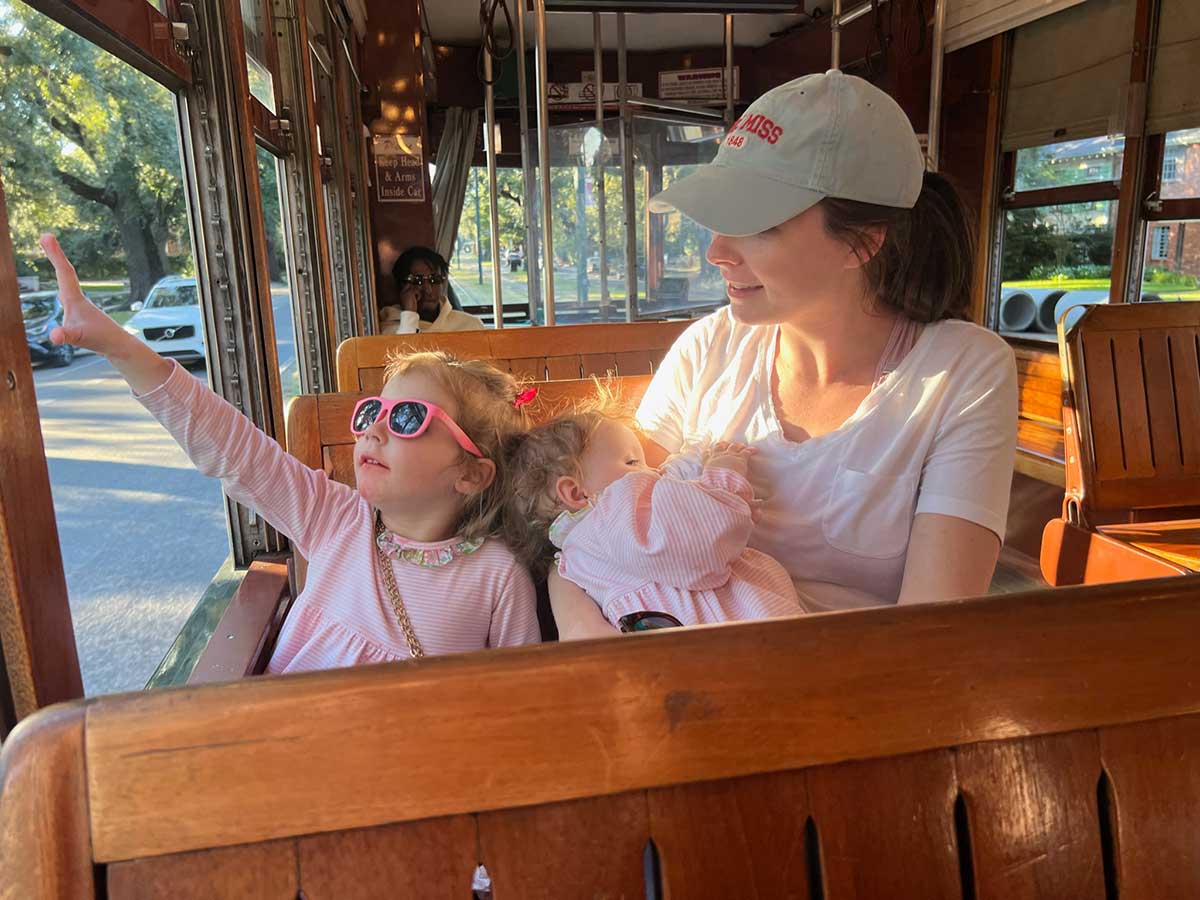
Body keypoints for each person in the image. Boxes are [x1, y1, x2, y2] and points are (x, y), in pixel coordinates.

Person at [549, 70, 1018, 637]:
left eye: (758, 225)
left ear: (863, 241)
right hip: (670, 663)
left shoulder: (961, 372)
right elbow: (595, 528)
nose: (717, 251)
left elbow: (933, 628)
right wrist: (583, 631)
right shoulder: (710, 348)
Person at [37, 234, 539, 669]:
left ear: (471, 474)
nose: (373, 430)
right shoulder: (336, 519)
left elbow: (524, 702)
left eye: (407, 418)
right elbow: (236, 450)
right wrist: (118, 345)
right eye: (372, 412)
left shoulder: (498, 577)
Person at [504, 398, 800, 638]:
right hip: (744, 635)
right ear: (576, 492)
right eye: (633, 462)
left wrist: (726, 506)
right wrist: (723, 480)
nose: (655, 470)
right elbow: (700, 544)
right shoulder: (613, 512)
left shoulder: (577, 556)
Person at [381, 246, 485, 334]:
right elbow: (403, 352)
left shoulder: (471, 326)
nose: (428, 290)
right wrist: (409, 316)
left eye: (434, 279)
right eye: (418, 280)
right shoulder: (388, 329)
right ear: (402, 286)